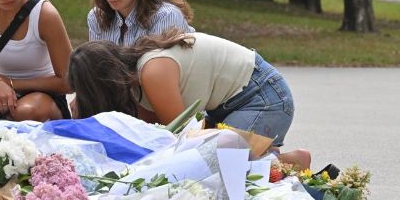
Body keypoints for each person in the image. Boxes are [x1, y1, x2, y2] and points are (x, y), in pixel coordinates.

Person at [67, 29, 310, 168]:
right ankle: (263, 155)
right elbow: (149, 128)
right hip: (232, 104)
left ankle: (286, 161)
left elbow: (181, 137)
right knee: (216, 162)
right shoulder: (138, 79)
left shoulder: (153, 72)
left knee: (219, 166)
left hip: (263, 97)